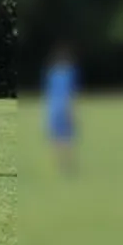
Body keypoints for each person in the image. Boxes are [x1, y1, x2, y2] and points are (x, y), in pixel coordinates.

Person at [44, 44, 78, 176]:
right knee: (67, 138)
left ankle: (59, 165)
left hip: (53, 108)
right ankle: (66, 165)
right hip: (64, 107)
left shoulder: (52, 73)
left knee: (56, 138)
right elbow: (71, 93)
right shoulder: (70, 73)